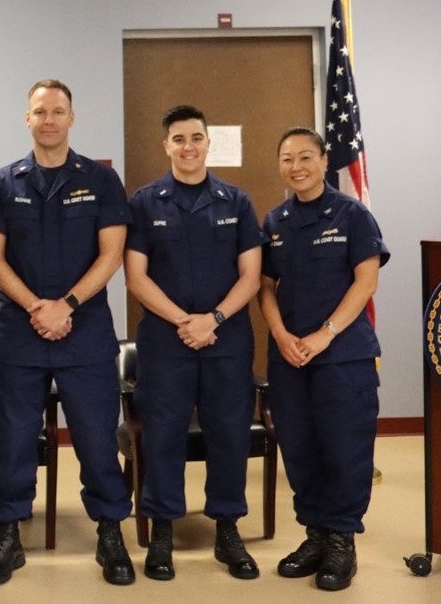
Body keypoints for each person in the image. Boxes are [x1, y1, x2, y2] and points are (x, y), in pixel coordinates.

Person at [0, 79, 134, 586]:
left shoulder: (102, 181)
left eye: (58, 111)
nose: (49, 119)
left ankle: (109, 531)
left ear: (72, 118)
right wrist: (36, 308)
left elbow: (112, 255)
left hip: (85, 332)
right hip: (21, 334)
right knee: (15, 441)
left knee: (95, 438)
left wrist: (65, 305)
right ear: (27, 119)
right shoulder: (4, 182)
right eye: (40, 111)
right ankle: (7, 533)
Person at [123, 105, 265, 581]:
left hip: (227, 340)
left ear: (209, 144)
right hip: (166, 341)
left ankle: (227, 529)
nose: (188, 147)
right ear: (166, 146)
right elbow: (136, 278)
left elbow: (252, 276)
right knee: (163, 435)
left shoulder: (236, 202)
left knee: (229, 434)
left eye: (197, 138)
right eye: (178, 139)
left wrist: (215, 319)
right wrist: (187, 320)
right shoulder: (144, 202)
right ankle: (162, 530)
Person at [257, 127, 388, 592]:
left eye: (306, 157)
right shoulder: (274, 221)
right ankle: (315, 535)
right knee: (300, 447)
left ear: (324, 159)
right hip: (290, 356)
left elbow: (365, 282)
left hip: (342, 356)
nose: (297, 166)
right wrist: (281, 333)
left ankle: (341, 541)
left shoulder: (352, 214)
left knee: (344, 449)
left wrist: (324, 335)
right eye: (287, 158)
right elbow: (266, 287)